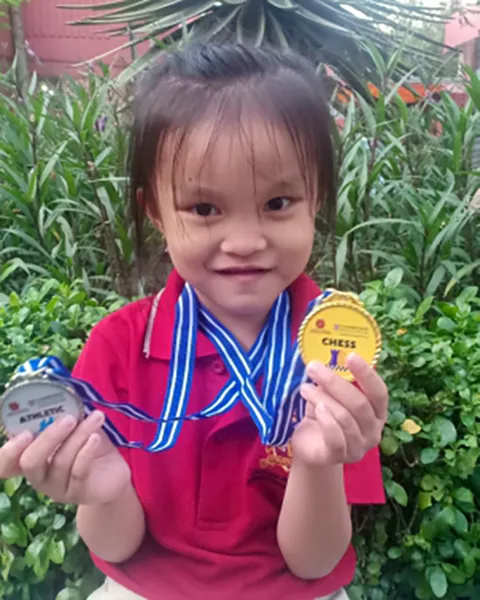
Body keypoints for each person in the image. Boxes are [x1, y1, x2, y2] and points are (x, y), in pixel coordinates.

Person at [0, 44, 388, 600]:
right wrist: (103, 490)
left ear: (316, 197)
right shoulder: (119, 346)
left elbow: (313, 564)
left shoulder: (337, 355)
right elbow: (116, 548)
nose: (245, 241)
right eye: (204, 209)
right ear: (156, 211)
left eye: (278, 202)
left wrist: (316, 462)